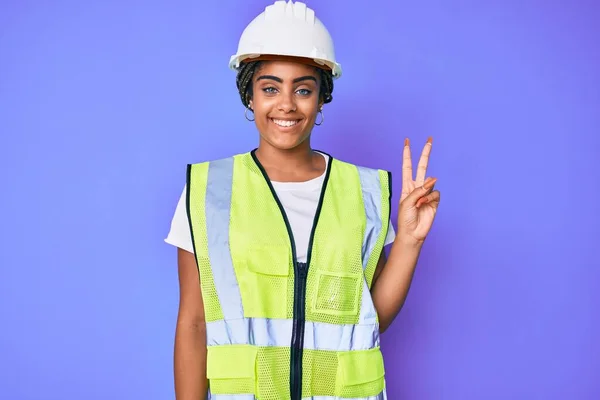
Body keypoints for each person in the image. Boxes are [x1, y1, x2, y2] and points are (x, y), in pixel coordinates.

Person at [165, 1, 440, 399]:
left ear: (321, 98)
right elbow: (193, 322)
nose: (287, 104)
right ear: (250, 96)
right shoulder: (209, 190)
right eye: (270, 88)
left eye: (304, 89)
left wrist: (411, 243)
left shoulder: (361, 193)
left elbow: (368, 319)